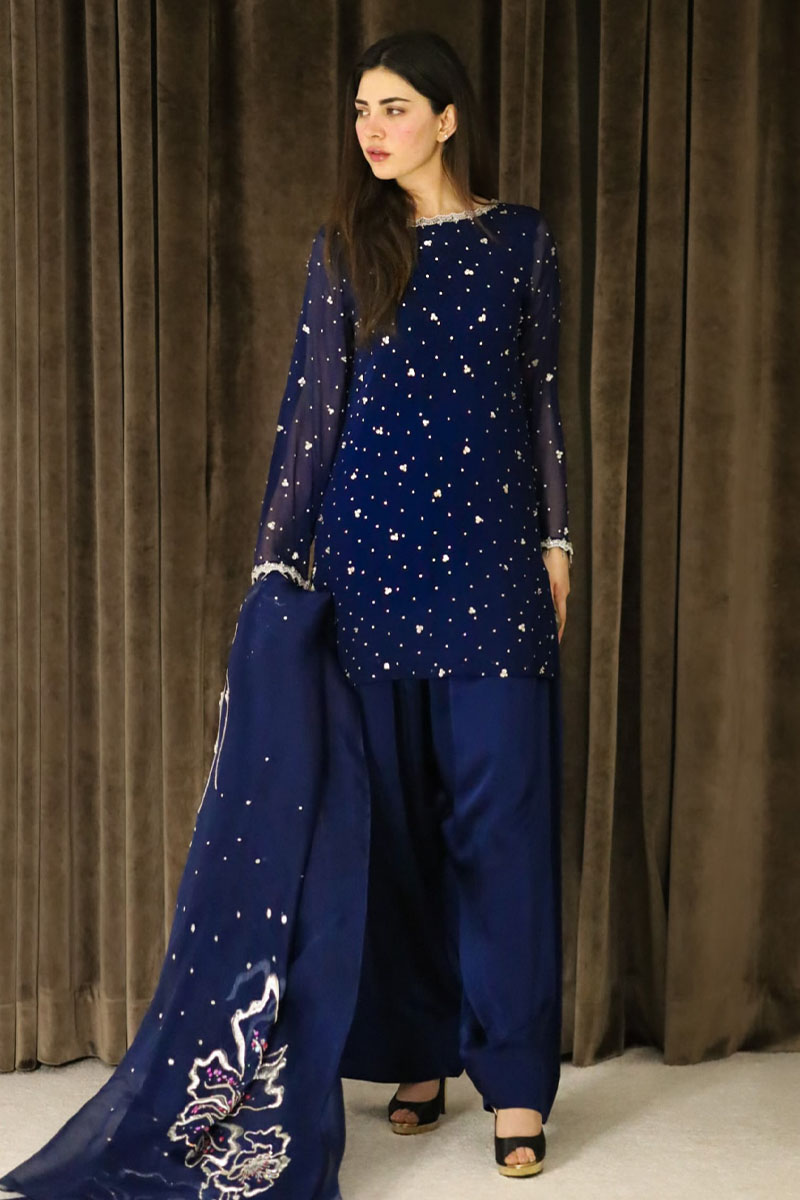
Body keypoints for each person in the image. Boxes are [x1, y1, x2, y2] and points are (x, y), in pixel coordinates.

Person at [252, 28, 572, 1181]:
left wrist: (557, 538)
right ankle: (413, 1053)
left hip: (492, 568)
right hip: (370, 570)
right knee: (389, 829)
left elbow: (541, 400)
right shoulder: (344, 247)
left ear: (446, 118)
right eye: (359, 111)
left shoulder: (518, 241)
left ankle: (516, 1083)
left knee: (502, 828)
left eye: (392, 108)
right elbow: (310, 417)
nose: (370, 130)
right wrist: (275, 568)